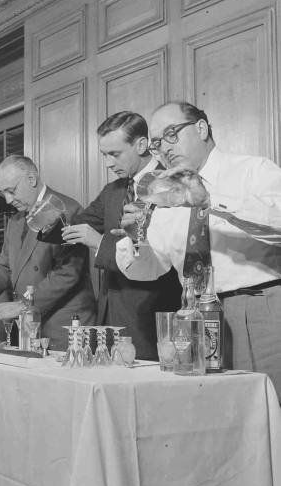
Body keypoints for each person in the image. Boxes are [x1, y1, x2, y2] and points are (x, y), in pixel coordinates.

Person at [115, 101, 281, 396]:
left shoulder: (252, 170)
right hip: (193, 318)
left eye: (171, 134)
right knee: (213, 415)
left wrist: (210, 200)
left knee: (269, 413)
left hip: (257, 309)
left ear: (201, 128)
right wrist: (137, 239)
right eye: (156, 143)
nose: (164, 148)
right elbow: (152, 268)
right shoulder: (165, 197)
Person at [56, 112, 181, 359]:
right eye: (104, 155)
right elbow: (76, 225)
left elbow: (162, 255)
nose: (108, 163)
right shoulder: (112, 191)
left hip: (152, 317)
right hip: (111, 315)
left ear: (142, 144)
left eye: (114, 154)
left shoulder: (171, 184)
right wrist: (47, 217)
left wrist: (99, 242)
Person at [0, 155, 96, 351]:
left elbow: (67, 274)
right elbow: (5, 263)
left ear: (31, 179)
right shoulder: (15, 221)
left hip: (62, 327)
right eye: (3, 193)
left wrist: (23, 305)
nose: (8, 200)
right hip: (29, 327)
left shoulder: (66, 210)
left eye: (11, 191)